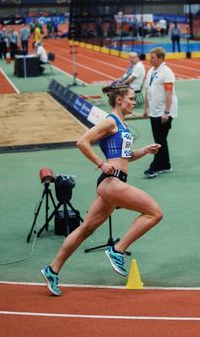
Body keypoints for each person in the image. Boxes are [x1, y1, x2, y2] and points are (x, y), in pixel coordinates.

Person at [41, 84, 163, 296]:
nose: (134, 102)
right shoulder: (110, 121)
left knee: (86, 229)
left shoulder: (122, 125)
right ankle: (117, 250)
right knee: (154, 213)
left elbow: (126, 157)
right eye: (132, 99)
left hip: (116, 181)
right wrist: (101, 163)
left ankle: (52, 269)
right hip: (111, 181)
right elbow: (82, 142)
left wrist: (144, 151)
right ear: (119, 100)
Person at [143, 47, 178, 178]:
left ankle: (155, 167)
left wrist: (167, 112)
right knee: (160, 139)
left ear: (160, 58)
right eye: (150, 57)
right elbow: (148, 91)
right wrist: (146, 108)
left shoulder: (167, 72)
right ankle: (166, 165)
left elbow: (169, 93)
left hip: (164, 112)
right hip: (154, 111)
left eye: (152, 57)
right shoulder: (151, 71)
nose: (150, 60)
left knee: (159, 140)